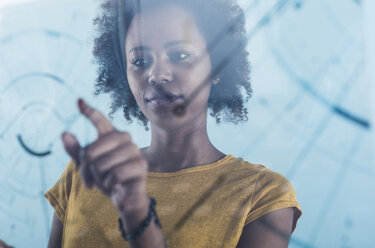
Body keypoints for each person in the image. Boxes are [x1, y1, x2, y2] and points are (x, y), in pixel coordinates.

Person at [45, 0, 302, 247]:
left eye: (180, 55)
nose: (157, 75)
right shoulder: (86, 175)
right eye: (140, 61)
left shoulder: (263, 195)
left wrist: (136, 212)